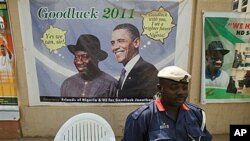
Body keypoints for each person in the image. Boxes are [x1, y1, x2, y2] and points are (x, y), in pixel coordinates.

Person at [121, 66, 212, 141]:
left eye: (184, 88)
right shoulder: (142, 117)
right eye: (174, 87)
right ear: (160, 88)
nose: (181, 92)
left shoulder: (197, 114)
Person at [111, 23, 158, 98]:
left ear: (136, 43)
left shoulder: (148, 71)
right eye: (113, 43)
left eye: (121, 41)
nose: (114, 47)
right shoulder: (125, 72)